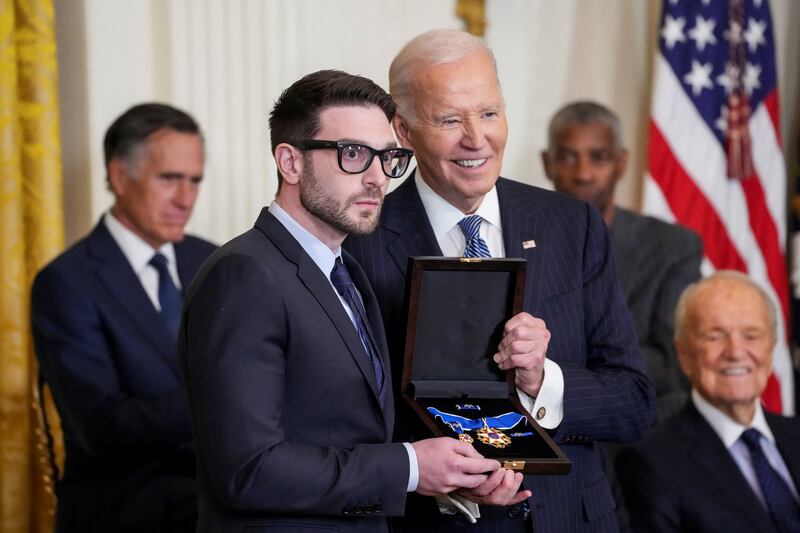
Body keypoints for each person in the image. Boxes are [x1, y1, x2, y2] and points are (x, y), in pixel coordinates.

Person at [343, 30, 656, 532]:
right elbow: (347, 428)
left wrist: (542, 381)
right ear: (403, 130)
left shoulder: (571, 225)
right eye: (450, 120)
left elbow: (634, 402)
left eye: (489, 113)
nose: (476, 138)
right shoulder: (359, 243)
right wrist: (439, 478)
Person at [179, 69, 506, 532]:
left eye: (388, 157)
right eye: (353, 154)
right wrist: (410, 468)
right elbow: (248, 469)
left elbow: (353, 435)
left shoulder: (347, 270)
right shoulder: (244, 274)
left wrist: (450, 477)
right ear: (290, 163)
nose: (377, 178)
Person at [31, 103, 215, 532]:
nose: (185, 199)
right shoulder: (66, 282)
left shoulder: (212, 260)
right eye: (169, 179)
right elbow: (103, 427)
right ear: (119, 176)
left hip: (218, 493)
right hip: (127, 506)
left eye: (194, 181)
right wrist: (230, 401)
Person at [542, 101, 703, 421]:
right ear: (547, 163)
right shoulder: (518, 239)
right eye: (568, 157)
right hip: (541, 420)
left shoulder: (673, 247)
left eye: (598, 157)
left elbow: (673, 361)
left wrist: (566, 380)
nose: (583, 173)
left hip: (639, 425)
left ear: (621, 163)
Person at [616, 271, 800, 533]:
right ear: (684, 355)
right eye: (715, 336)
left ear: (771, 349)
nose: (735, 352)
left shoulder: (795, 433)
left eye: (751, 335)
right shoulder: (651, 464)